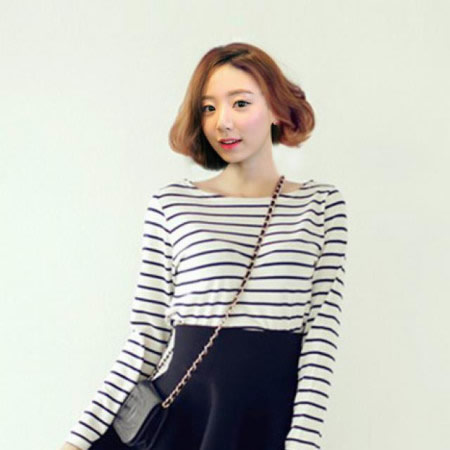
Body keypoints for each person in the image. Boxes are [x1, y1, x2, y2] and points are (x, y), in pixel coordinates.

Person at [61, 42, 348, 450]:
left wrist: (304, 441)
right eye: (208, 108)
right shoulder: (172, 204)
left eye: (240, 103)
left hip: (266, 425)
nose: (222, 122)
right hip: (182, 425)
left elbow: (320, 336)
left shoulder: (320, 205)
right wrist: (78, 440)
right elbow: (145, 338)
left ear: (276, 109)